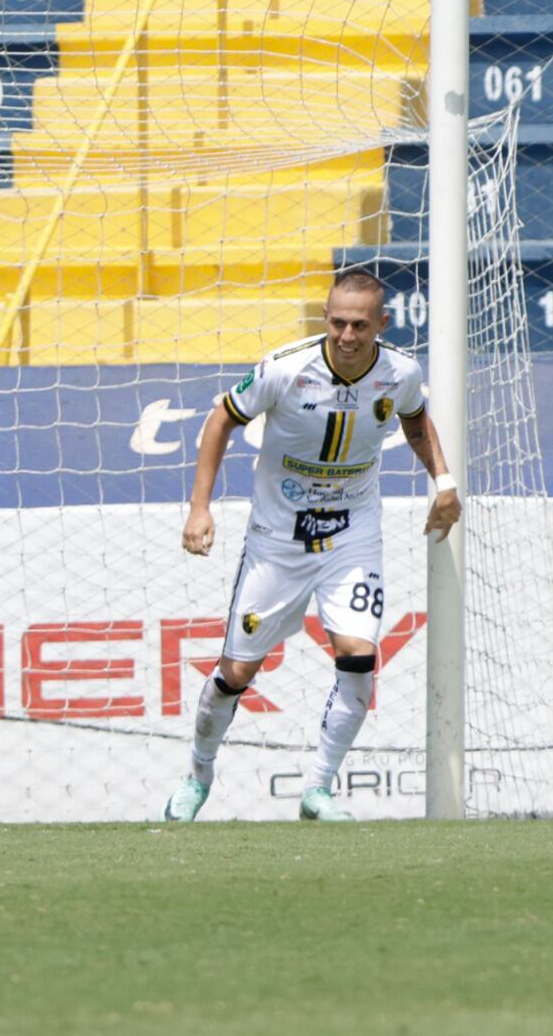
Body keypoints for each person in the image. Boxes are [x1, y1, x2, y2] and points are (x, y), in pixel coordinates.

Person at [164, 266, 461, 822]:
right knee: (236, 674)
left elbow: (417, 422)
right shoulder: (285, 368)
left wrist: (443, 482)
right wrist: (200, 507)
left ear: (381, 324)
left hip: (352, 536)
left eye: (360, 326)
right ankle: (197, 776)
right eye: (337, 323)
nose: (347, 336)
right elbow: (221, 419)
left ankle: (318, 789)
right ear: (325, 318)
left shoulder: (400, 373)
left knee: (359, 657)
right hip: (277, 541)